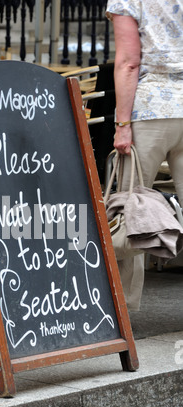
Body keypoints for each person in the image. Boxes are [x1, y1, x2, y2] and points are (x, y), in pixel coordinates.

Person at [105, 0, 183, 311]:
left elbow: (128, 62)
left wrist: (122, 124)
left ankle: (122, 307)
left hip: (151, 110)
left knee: (131, 208)